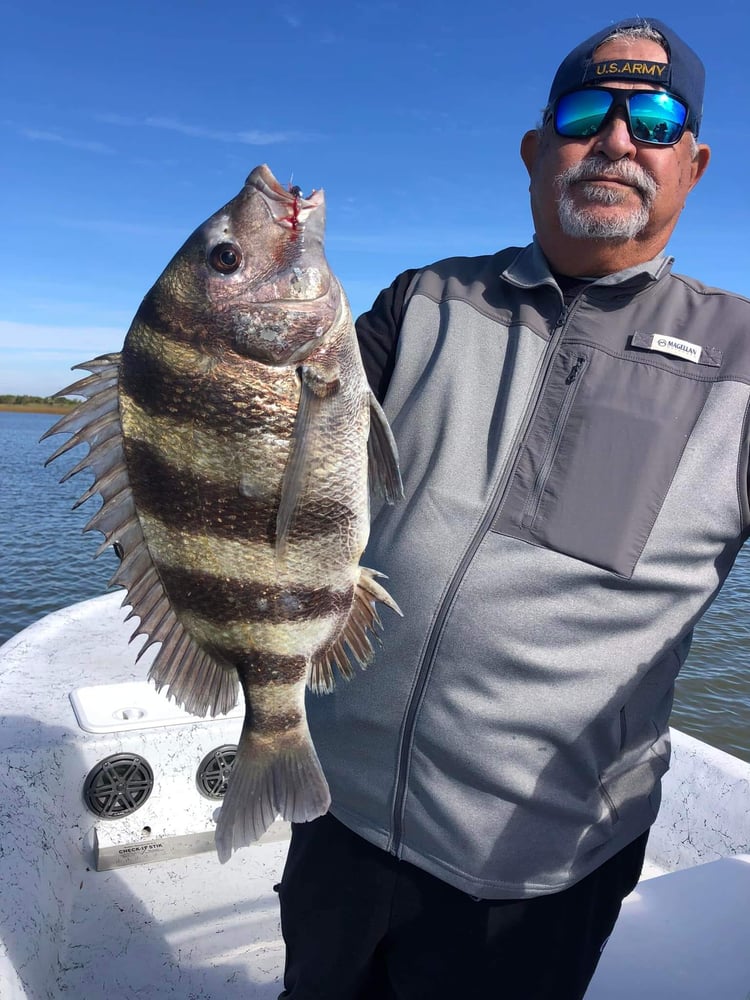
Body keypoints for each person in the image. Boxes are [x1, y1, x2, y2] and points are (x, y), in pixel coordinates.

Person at [276, 16, 746, 999]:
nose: (619, 139)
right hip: (337, 811)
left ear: (692, 164)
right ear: (538, 151)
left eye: (655, 120)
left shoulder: (740, 359)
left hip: (535, 870)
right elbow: (279, 449)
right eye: (588, 112)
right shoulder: (422, 301)